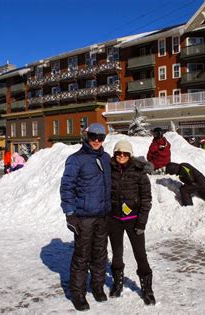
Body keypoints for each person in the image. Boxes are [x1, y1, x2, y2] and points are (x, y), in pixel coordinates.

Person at [60, 123, 111, 311]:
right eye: (93, 137)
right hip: (84, 217)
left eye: (101, 137)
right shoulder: (76, 160)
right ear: (86, 136)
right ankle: (78, 294)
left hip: (103, 216)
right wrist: (70, 214)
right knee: (82, 257)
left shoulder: (106, 158)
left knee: (100, 254)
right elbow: (67, 187)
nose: (97, 141)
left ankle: (97, 288)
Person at [108, 140, 156, 305]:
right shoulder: (109, 170)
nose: (122, 156)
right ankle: (117, 284)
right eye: (119, 153)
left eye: (125, 153)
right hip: (114, 220)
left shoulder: (138, 172)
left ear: (130, 154)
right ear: (115, 154)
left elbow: (146, 199)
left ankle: (147, 289)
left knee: (140, 255)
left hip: (134, 221)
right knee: (116, 254)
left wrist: (141, 222)